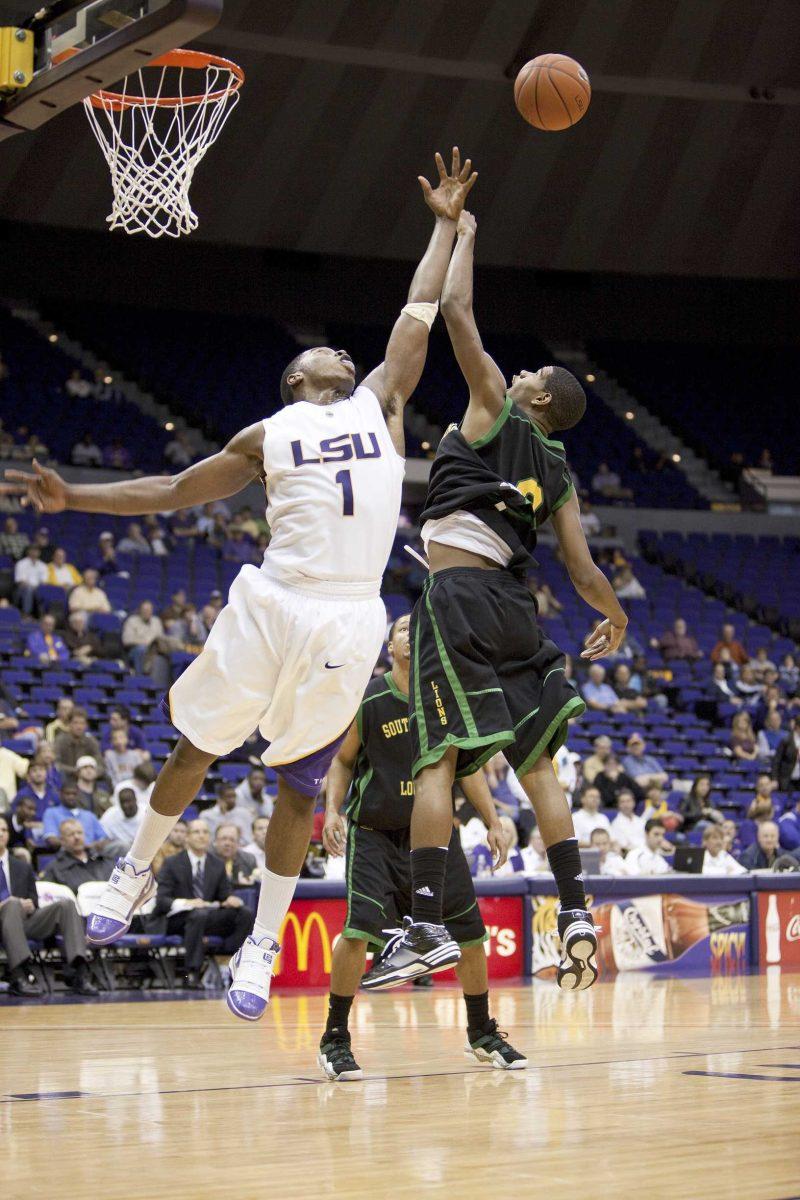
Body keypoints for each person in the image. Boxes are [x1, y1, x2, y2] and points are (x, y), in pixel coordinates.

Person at [1, 150, 481, 1021]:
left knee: (298, 786)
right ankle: (136, 868)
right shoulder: (269, 433)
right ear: (299, 381)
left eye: (343, 347)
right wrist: (76, 496)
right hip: (276, 598)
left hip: (349, 620)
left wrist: (445, 227)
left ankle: (261, 942)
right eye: (323, 351)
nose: (341, 349)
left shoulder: (382, 401)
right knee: (199, 746)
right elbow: (176, 491)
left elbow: (417, 310)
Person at [360, 209, 631, 993]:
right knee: (538, 760)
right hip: (518, 608)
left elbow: (454, 311)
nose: (515, 374)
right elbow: (582, 573)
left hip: (460, 594)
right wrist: (616, 616)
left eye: (529, 377)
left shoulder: (495, 408)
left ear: (539, 398)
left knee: (439, 757)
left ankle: (419, 928)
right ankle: (577, 908)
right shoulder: (563, 475)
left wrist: (466, 235)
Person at [319, 615, 525, 1078]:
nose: (411, 633)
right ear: (388, 645)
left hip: (435, 840)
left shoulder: (443, 698)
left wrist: (493, 820)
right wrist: (332, 810)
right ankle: (335, 1036)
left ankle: (481, 1031)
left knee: (471, 938)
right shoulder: (368, 698)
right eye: (401, 628)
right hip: (375, 833)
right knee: (357, 934)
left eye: (418, 627)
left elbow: (466, 769)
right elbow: (344, 761)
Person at [0, 814, 98, 996]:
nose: (1, 834)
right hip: (2, 923)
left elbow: (34, 899)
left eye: (4, 830)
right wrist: (5, 904)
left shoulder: (21, 866)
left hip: (24, 922)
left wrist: (29, 904)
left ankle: (78, 972)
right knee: (12, 905)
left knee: (66, 905)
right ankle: (19, 976)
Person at [152, 819, 254, 989]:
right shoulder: (172, 863)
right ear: (187, 838)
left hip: (206, 916)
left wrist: (230, 899)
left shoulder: (217, 864)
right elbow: (162, 900)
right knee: (197, 914)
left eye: (205, 832)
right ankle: (192, 973)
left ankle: (228, 963)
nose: (201, 836)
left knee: (245, 913)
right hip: (177, 918)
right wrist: (188, 902)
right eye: (196, 832)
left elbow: (223, 894)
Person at [43, 817, 115, 891]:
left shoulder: (103, 860)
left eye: (79, 833)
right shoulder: (55, 868)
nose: (77, 837)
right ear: (62, 840)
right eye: (70, 834)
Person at [42, 783, 109, 851]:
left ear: (79, 796)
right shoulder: (51, 813)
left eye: (74, 794)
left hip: (93, 854)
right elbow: (51, 839)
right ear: (60, 795)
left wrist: (92, 846)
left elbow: (104, 839)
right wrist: (77, 847)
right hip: (65, 855)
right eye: (67, 794)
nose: (71, 797)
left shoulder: (89, 815)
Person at [54, 709, 103, 780]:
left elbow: (100, 764)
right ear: (69, 724)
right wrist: (76, 771)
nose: (79, 727)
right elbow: (56, 764)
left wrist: (93, 773)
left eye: (82, 723)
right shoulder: (60, 741)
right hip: (67, 778)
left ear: (86, 725)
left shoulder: (91, 741)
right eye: (75, 723)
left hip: (89, 778)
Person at [100, 787, 143, 856]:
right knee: (124, 846)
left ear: (135, 800)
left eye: (128, 801)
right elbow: (102, 839)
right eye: (122, 802)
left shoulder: (146, 813)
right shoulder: (110, 814)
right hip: (120, 852)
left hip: (143, 849)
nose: (125, 805)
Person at [213, 822, 258, 887]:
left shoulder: (249, 859)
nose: (227, 843)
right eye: (223, 839)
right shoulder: (207, 860)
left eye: (232, 839)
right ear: (215, 841)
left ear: (238, 843)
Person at [13, 544, 48, 614]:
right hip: (22, 589)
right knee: (29, 588)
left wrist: (37, 588)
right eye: (33, 550)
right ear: (28, 552)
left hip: (38, 589)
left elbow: (44, 582)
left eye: (36, 551)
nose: (34, 552)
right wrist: (33, 587)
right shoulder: (21, 563)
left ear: (39, 553)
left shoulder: (43, 565)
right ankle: (26, 614)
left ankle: (43, 615)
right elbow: (21, 582)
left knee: (45, 590)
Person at [773, 716, 800, 793]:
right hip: (787, 779)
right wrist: (774, 779)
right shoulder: (786, 740)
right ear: (797, 727)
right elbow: (777, 760)